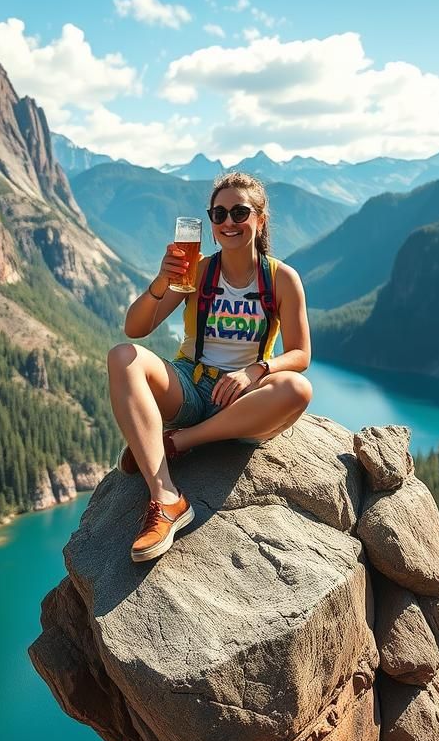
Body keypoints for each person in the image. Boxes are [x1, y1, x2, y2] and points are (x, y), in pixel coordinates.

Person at [107, 171, 313, 563]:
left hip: (242, 399)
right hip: (191, 383)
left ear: (260, 218)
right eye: (219, 214)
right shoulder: (197, 271)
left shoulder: (282, 279)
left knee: (299, 389)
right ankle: (166, 497)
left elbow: (301, 354)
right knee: (122, 356)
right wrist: (162, 280)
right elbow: (136, 328)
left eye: (239, 212)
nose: (228, 223)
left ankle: (177, 443)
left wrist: (256, 370)